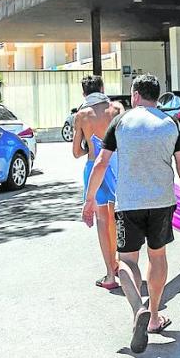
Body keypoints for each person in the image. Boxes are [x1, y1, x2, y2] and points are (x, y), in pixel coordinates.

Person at [83, 75, 180, 353]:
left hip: (128, 203)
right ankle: (154, 317)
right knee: (158, 256)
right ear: (157, 97)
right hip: (162, 202)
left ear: (135, 95)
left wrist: (90, 200)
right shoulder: (169, 123)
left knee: (126, 260)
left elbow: (101, 162)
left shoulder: (121, 122)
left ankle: (139, 308)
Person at [73, 75, 125, 290]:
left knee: (102, 221)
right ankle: (123, 265)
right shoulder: (116, 108)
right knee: (119, 217)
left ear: (84, 93)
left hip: (94, 168)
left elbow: (76, 152)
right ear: (103, 88)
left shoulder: (81, 115)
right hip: (116, 167)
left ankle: (109, 274)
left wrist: (90, 147)